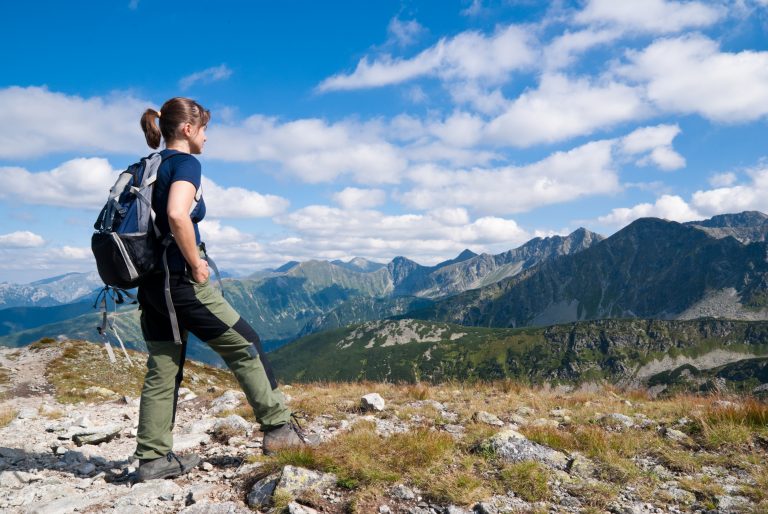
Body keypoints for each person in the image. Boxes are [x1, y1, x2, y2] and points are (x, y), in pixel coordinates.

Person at [133, 97, 304, 482]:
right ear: (188, 130)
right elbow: (177, 214)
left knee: (163, 365)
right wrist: (196, 263)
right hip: (180, 282)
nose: (207, 138)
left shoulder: (147, 167)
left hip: (151, 287)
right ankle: (279, 430)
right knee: (246, 345)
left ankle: (152, 459)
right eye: (205, 129)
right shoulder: (186, 163)